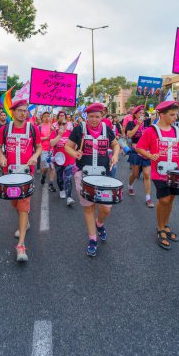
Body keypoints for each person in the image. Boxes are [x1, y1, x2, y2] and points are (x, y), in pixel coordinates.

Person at [65, 103, 120, 257]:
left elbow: (115, 145)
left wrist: (115, 155)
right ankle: (92, 239)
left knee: (106, 208)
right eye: (91, 117)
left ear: (102, 116)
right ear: (86, 117)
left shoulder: (107, 129)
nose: (94, 120)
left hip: (103, 175)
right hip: (83, 174)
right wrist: (75, 153)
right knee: (88, 207)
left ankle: (100, 224)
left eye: (97, 116)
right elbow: (68, 147)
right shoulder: (79, 130)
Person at [135, 101, 179, 250]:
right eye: (172, 114)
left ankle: (166, 224)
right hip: (159, 172)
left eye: (176, 114)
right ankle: (159, 228)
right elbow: (139, 148)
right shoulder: (151, 131)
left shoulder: (177, 131)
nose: (175, 117)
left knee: (171, 199)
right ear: (162, 115)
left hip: (175, 171)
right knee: (164, 199)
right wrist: (150, 155)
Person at [0, 99, 42, 262]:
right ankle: (26, 221)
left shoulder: (33, 128)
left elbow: (39, 147)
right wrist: (1, 156)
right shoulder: (4, 129)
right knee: (14, 203)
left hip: (26, 174)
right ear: (13, 112)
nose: (24, 113)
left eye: (25, 110)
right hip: (8, 173)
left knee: (23, 206)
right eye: (20, 110)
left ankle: (21, 246)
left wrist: (35, 157)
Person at [126, 105, 154, 207]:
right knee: (135, 174)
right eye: (140, 113)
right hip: (135, 152)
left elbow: (157, 116)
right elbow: (129, 135)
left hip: (146, 152)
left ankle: (148, 198)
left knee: (147, 175)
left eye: (143, 113)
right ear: (135, 114)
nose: (142, 115)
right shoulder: (130, 123)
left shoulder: (147, 123)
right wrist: (137, 125)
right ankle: (129, 185)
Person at [50, 113, 76, 206]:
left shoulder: (71, 133)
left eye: (64, 124)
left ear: (67, 124)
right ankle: (61, 189)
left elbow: (75, 146)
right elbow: (52, 144)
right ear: (57, 124)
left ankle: (69, 197)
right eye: (60, 124)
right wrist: (59, 135)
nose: (62, 125)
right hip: (59, 159)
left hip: (69, 159)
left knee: (68, 178)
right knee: (60, 177)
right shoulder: (54, 133)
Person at [39, 111, 56, 192]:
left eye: (48, 116)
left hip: (52, 150)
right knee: (45, 167)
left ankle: (51, 183)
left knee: (52, 167)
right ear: (42, 118)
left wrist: (54, 131)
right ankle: (43, 175)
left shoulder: (53, 126)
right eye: (45, 116)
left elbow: (57, 137)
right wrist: (46, 138)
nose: (46, 117)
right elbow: (37, 139)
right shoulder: (39, 127)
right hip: (43, 150)